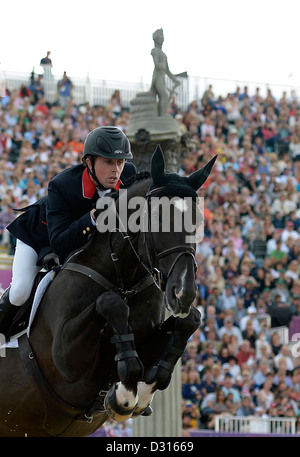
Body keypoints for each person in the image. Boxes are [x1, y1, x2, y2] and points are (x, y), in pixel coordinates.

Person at [0, 126, 137, 338]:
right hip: (38, 237)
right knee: (19, 292)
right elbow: (60, 244)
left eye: (120, 162)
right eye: (108, 162)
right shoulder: (62, 185)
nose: (116, 170)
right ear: (89, 163)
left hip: (81, 242)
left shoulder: (128, 176)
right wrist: (92, 217)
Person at [150, 28, 180, 117]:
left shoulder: (163, 54)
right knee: (164, 95)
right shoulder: (155, 51)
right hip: (157, 77)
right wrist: (163, 66)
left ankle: (162, 114)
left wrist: (175, 80)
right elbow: (157, 65)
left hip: (162, 77)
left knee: (164, 96)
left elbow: (167, 70)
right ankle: (162, 115)